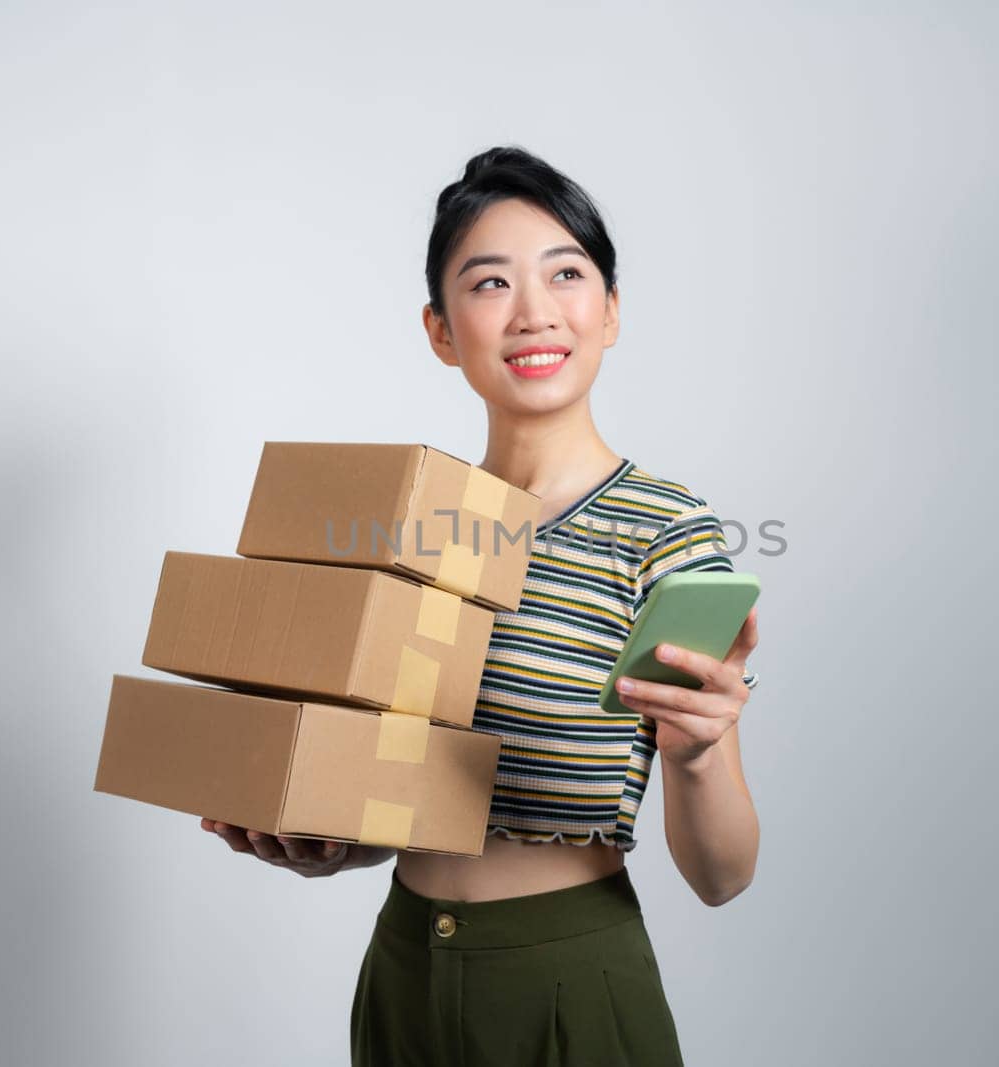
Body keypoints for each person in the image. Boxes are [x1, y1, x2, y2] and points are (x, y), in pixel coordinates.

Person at [199, 145, 762, 1065]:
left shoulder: (668, 531)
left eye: (567, 273)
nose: (534, 311)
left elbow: (723, 876)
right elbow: (399, 791)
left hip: (566, 981)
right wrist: (325, 842)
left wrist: (697, 754)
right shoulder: (413, 518)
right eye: (490, 281)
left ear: (610, 311)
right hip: (404, 967)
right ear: (440, 329)